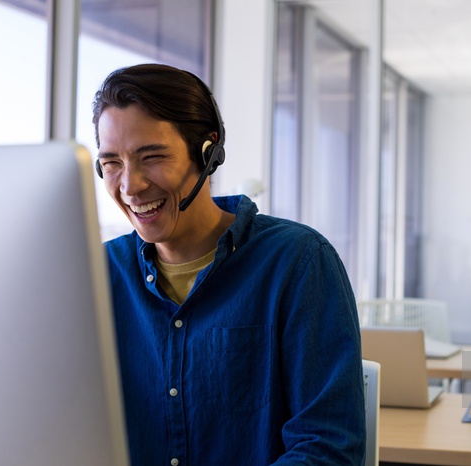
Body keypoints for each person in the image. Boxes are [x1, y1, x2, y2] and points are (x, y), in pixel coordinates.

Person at [91, 63, 366, 465]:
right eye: (111, 162)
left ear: (208, 153)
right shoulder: (97, 276)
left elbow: (328, 447)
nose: (130, 185)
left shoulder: (298, 263)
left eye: (151, 157)